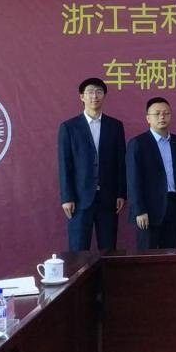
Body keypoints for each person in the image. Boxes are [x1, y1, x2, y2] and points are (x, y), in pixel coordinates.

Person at [57, 78, 126, 251]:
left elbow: (120, 161)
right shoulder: (69, 127)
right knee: (78, 250)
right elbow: (65, 164)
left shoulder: (115, 126)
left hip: (108, 197)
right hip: (80, 199)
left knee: (108, 249)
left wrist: (121, 193)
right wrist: (67, 197)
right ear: (82, 97)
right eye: (90, 92)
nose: (94, 96)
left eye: (99, 92)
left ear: (104, 96)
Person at [127, 97, 176, 249]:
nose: (162, 117)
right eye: (157, 113)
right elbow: (133, 180)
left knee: (171, 253)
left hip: (174, 206)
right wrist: (139, 210)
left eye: (166, 113)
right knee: (147, 255)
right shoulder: (138, 143)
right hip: (148, 209)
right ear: (148, 118)